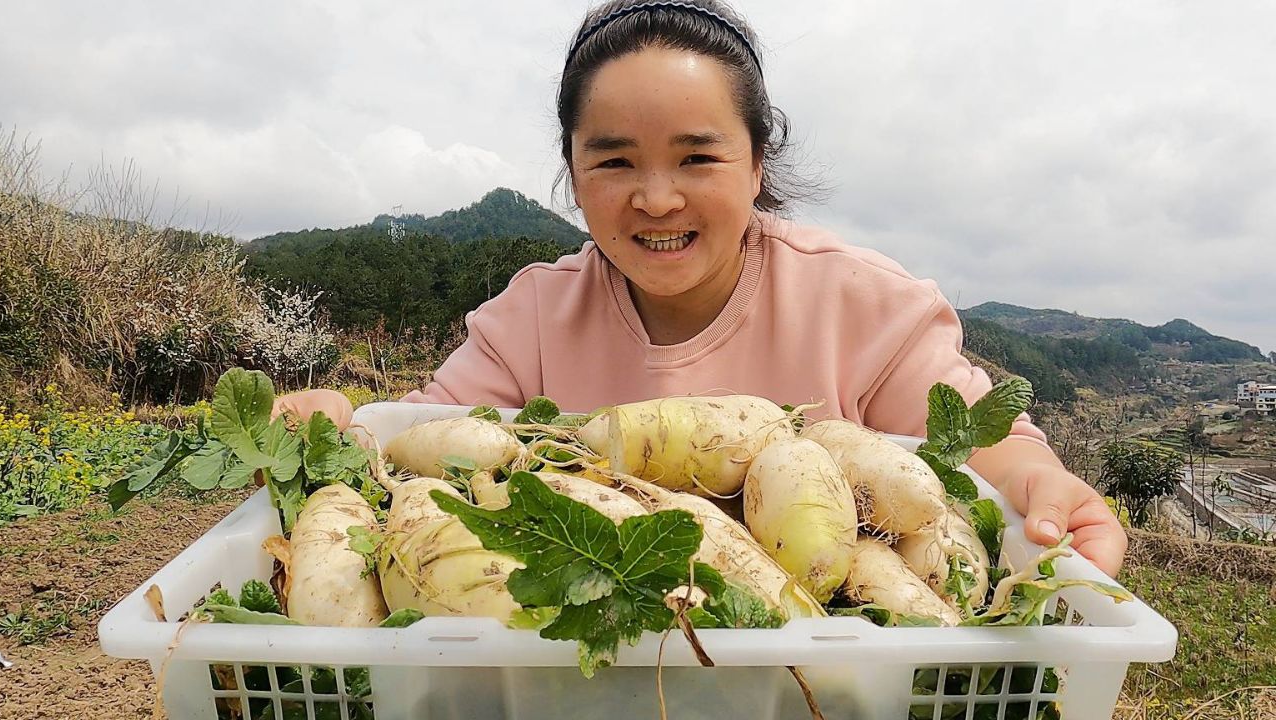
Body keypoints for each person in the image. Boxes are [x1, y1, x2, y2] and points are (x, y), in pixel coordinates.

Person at [272, 0, 1126, 576]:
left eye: (697, 156)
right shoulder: (531, 317)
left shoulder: (861, 304)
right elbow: (425, 441)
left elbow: (977, 439)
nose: (656, 198)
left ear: (758, 162)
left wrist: (1042, 482)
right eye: (613, 161)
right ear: (571, 176)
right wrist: (336, 425)